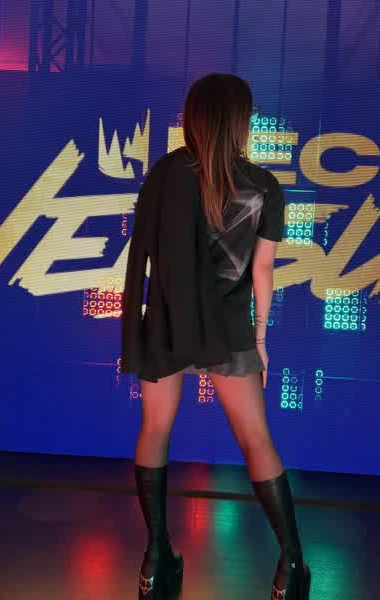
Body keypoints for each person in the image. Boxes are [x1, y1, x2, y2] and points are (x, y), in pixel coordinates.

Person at [122, 73, 311, 599]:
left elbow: (145, 252)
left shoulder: (165, 174)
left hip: (167, 322)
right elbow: (263, 272)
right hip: (228, 329)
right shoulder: (264, 185)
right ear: (239, 122)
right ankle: (291, 566)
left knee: (155, 429)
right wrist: (261, 340)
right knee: (256, 440)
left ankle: (155, 560)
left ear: (196, 119)